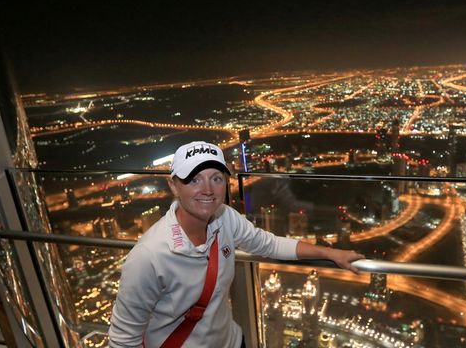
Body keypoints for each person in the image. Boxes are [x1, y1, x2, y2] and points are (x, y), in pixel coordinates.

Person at [108, 141, 364, 348]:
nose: (207, 189)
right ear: (173, 185)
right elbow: (123, 340)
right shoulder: (148, 257)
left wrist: (328, 252)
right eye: (194, 179)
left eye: (216, 178)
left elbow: (268, 244)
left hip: (231, 340)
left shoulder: (225, 218)